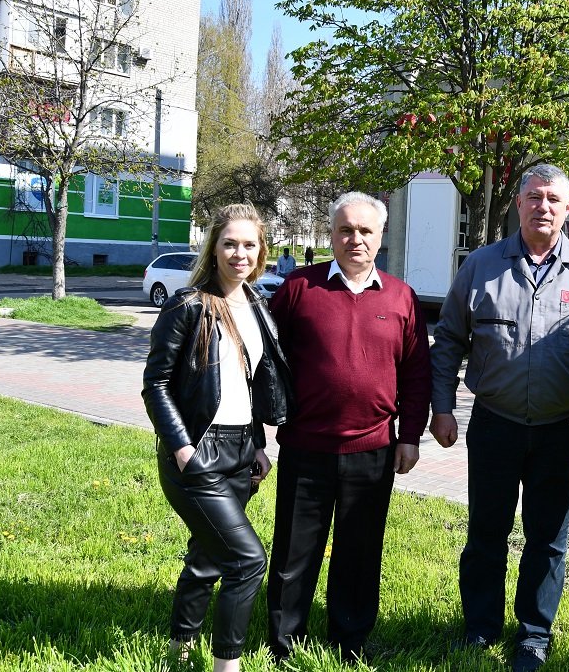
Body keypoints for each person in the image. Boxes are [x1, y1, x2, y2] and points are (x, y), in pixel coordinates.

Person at [429, 163, 569, 672]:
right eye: (534, 197)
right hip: (495, 424)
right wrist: (441, 408)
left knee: (548, 540)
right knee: (485, 533)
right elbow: (448, 340)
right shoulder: (481, 265)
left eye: (553, 199)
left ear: (568, 208)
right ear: (518, 203)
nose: (543, 207)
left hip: (562, 430)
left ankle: (534, 634)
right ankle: (480, 627)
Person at [265, 192, 432, 664]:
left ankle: (349, 641)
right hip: (306, 447)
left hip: (373, 449)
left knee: (359, 552)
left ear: (380, 236)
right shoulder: (298, 288)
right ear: (332, 233)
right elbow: (266, 361)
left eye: (365, 231)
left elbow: (417, 374)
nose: (355, 239)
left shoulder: (401, 297)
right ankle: (284, 643)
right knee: (294, 551)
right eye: (345, 229)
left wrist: (409, 437)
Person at [142, 203, 292, 672]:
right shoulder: (188, 305)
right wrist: (183, 449)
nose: (239, 253)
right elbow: (156, 384)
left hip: (241, 450)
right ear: (214, 248)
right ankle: (229, 664)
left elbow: (246, 382)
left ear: (261, 251)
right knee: (247, 561)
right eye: (230, 244)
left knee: (208, 555)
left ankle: (179, 650)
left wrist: (258, 444)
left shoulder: (256, 305)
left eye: (249, 245)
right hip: (197, 451)